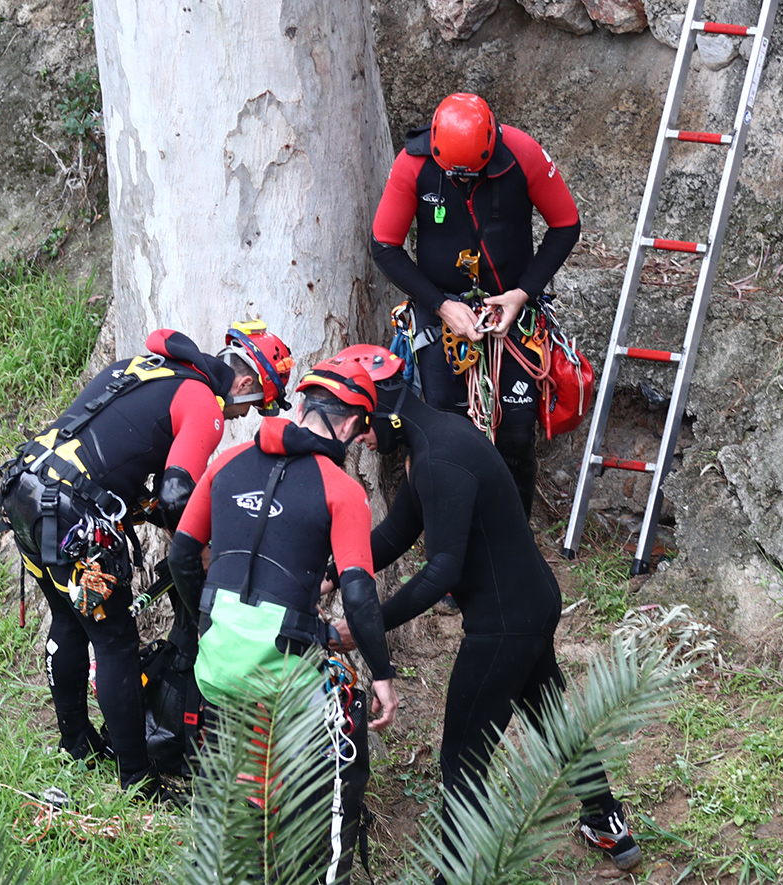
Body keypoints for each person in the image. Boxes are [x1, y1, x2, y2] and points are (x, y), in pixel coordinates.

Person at [329, 344, 641, 873]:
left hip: (502, 625)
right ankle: (608, 823)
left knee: (461, 763)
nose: (357, 436)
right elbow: (397, 533)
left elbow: (442, 571)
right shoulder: (437, 439)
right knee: (553, 722)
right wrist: (331, 564)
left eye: (358, 423)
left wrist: (366, 625)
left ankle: (453, 873)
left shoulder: (438, 459)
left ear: (381, 409)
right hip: (530, 603)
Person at [0, 322, 294, 797]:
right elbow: (175, 495)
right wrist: (197, 551)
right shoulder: (203, 404)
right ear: (246, 384)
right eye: (251, 408)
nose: (238, 418)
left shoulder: (146, 367)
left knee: (69, 624)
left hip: (27, 492)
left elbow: (120, 451)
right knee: (115, 645)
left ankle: (76, 744)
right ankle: (135, 777)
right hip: (75, 518)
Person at [168, 354, 398, 884]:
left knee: (233, 761)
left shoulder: (227, 462)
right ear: (347, 424)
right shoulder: (342, 491)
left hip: (215, 666)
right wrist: (383, 676)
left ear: (300, 405)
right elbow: (359, 593)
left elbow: (182, 554)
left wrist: (208, 623)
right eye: (359, 428)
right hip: (280, 677)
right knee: (342, 755)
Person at [371, 91, 581, 517]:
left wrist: (522, 294)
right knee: (444, 435)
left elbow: (566, 225)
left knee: (516, 438)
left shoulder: (521, 154)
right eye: (456, 175)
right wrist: (441, 305)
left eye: (473, 174)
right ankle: (451, 547)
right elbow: (385, 245)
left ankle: (513, 539)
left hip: (513, 317)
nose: (465, 182)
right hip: (442, 319)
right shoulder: (413, 163)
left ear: (491, 144)